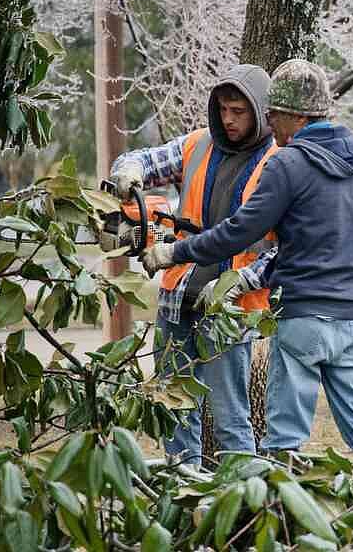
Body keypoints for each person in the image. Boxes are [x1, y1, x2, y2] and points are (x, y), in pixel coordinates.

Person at [140, 58, 353, 457]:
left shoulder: (287, 163)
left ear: (296, 115)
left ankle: (271, 512)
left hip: (303, 317)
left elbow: (239, 232)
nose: (270, 125)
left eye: (273, 115)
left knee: (283, 441)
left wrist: (175, 251)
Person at [110, 64, 278, 464]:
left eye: (238, 111)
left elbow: (281, 251)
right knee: (172, 407)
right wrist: (128, 171)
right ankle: (180, 488)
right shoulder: (198, 145)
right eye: (223, 110)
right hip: (177, 296)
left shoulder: (279, 164)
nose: (228, 119)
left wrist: (241, 283)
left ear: (259, 111)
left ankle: (243, 498)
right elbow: (145, 159)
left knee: (230, 416)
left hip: (229, 309)